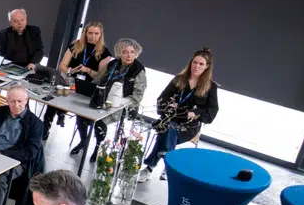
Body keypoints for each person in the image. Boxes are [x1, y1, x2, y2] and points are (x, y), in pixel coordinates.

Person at [141, 48, 218, 182]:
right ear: (191, 62)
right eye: (195, 62)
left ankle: (150, 167)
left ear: (207, 67)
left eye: (201, 64)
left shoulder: (211, 87)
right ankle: (169, 163)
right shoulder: (179, 79)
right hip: (169, 119)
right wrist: (168, 106)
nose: (196, 66)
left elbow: (211, 112)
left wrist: (196, 112)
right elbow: (161, 100)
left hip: (188, 127)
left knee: (166, 131)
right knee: (167, 128)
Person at [90, 37, 147, 165]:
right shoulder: (112, 64)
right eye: (125, 52)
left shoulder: (138, 70)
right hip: (103, 100)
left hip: (122, 106)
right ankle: (83, 141)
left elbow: (138, 96)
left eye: (132, 52)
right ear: (119, 53)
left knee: (99, 123)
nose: (129, 55)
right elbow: (98, 80)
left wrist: (121, 102)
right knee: (83, 117)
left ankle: (98, 147)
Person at [52, 21, 110, 141]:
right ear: (85, 33)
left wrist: (87, 70)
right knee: (52, 101)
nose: (93, 36)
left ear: (100, 35)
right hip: (71, 81)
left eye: (96, 33)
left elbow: (100, 77)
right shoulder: (75, 45)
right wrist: (70, 71)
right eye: (90, 33)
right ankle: (49, 126)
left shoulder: (105, 53)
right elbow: (62, 65)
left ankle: (83, 140)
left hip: (88, 87)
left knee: (80, 114)